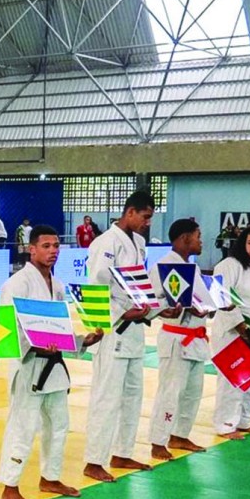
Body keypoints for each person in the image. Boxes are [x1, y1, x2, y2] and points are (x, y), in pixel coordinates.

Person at [0, 226, 95, 499]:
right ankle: (10, 486)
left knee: (59, 424)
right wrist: (36, 345)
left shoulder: (58, 285)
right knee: (23, 427)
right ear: (32, 249)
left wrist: (82, 340)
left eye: (56, 246)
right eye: (46, 246)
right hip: (29, 365)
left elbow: (58, 330)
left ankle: (50, 477)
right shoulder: (16, 284)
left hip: (53, 367)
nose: (53, 251)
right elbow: (8, 328)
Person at [83, 191, 155, 483]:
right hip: (112, 330)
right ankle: (94, 460)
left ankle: (122, 452)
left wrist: (149, 307)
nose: (147, 223)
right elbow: (95, 286)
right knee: (107, 397)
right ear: (130, 212)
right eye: (145, 217)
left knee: (132, 396)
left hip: (135, 331)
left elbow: (138, 283)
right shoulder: (106, 242)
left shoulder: (139, 242)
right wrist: (120, 314)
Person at [149, 218, 210, 461]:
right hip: (176, 338)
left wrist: (212, 306)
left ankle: (180, 435)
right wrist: (174, 307)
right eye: (198, 236)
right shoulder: (162, 266)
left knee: (192, 392)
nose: (201, 241)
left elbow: (203, 300)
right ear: (185, 238)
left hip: (196, 337)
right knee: (170, 392)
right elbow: (153, 301)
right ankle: (158, 441)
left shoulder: (192, 268)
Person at [211, 227, 250, 439]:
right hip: (234, 330)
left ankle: (244, 420)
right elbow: (221, 297)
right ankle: (225, 424)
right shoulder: (228, 265)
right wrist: (239, 324)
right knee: (232, 379)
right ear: (242, 244)